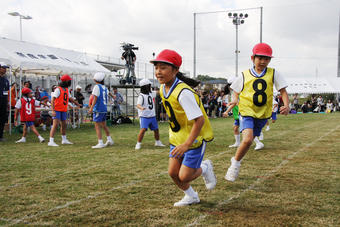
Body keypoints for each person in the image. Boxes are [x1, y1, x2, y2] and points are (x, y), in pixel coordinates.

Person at [151, 49, 216, 207]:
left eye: (163, 68)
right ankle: (192, 196)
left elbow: (199, 120)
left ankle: (205, 167)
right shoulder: (162, 88)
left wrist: (187, 144)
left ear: (175, 70)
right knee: (173, 173)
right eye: (157, 67)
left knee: (185, 176)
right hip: (177, 138)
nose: (158, 72)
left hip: (193, 140)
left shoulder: (183, 92)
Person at [225, 43, 290, 182]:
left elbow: (283, 91)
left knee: (249, 142)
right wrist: (235, 100)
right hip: (246, 111)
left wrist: (287, 105)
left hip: (263, 113)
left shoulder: (273, 73)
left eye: (266, 59)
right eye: (260, 58)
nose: (263, 61)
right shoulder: (244, 74)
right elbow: (236, 91)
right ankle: (235, 165)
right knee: (247, 139)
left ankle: (235, 160)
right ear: (252, 58)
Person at [48, 74, 80, 147]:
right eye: (69, 81)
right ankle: (51, 141)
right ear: (66, 81)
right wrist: (53, 110)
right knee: (55, 125)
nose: (70, 82)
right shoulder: (58, 89)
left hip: (63, 109)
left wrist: (76, 103)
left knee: (64, 124)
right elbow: (52, 100)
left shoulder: (66, 89)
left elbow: (70, 98)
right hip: (57, 109)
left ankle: (64, 139)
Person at [135, 79, 165, 150]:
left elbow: (158, 92)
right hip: (144, 116)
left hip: (152, 116)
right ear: (146, 86)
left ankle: (157, 142)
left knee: (156, 130)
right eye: (149, 85)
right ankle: (138, 143)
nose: (151, 87)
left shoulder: (151, 93)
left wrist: (163, 85)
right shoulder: (141, 96)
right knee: (143, 130)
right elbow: (138, 105)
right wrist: (141, 108)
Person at [88, 72, 114, 149]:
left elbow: (95, 98)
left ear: (95, 79)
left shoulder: (96, 87)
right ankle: (109, 139)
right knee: (104, 125)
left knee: (97, 126)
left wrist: (91, 108)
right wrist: (113, 96)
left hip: (98, 109)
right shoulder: (104, 87)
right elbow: (109, 93)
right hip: (104, 109)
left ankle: (100, 142)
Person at [223, 77, 241, 148]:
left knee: (245, 130)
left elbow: (234, 103)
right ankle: (237, 143)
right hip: (237, 113)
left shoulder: (236, 92)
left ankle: (258, 142)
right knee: (235, 128)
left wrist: (226, 111)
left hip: (241, 113)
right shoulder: (235, 91)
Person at [0, 62, 10, 142]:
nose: (5, 70)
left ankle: (1, 136)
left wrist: (7, 103)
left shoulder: (6, 80)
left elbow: (6, 92)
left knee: (2, 118)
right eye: (3, 68)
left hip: (3, 102)